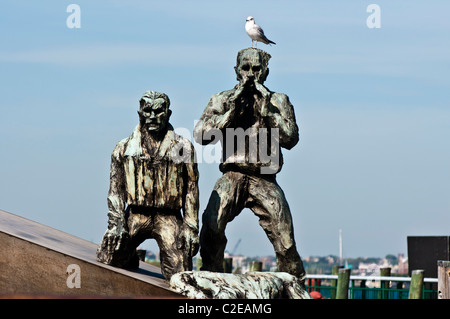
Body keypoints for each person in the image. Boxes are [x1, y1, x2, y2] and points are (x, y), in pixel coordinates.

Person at [194, 48, 305, 282]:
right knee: (212, 224)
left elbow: (291, 139)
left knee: (285, 239)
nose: (251, 75)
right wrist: (229, 114)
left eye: (256, 69)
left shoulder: (278, 100)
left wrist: (268, 111)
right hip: (232, 174)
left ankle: (292, 284)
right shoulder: (222, 99)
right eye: (245, 68)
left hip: (265, 176)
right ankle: (213, 278)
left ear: (266, 72)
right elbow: (201, 135)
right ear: (236, 71)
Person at [97, 91, 199, 280]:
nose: (152, 116)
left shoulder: (183, 148)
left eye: (158, 111)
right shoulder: (123, 148)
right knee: (110, 255)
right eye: (147, 111)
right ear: (140, 113)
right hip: (135, 215)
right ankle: (129, 256)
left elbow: (191, 189)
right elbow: (115, 191)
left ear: (168, 114)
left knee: (180, 272)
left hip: (169, 218)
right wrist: (116, 224)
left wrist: (190, 227)